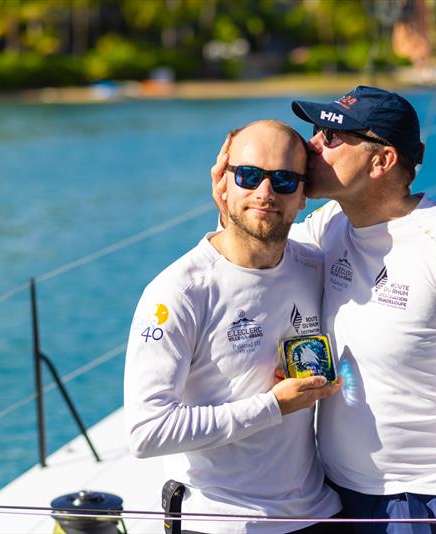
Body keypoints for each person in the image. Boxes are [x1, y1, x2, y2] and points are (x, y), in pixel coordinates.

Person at [212, 86, 436, 534]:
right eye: (316, 132)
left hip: (422, 501)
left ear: (382, 162)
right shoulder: (329, 227)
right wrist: (227, 196)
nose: (311, 146)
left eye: (332, 137)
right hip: (331, 494)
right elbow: (251, 257)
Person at [125, 120, 343, 534]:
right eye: (248, 175)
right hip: (219, 522)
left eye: (283, 180)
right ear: (223, 185)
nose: (265, 192)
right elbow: (146, 432)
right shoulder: (178, 293)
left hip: (316, 514)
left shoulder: (316, 265)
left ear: (302, 197)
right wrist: (273, 406)